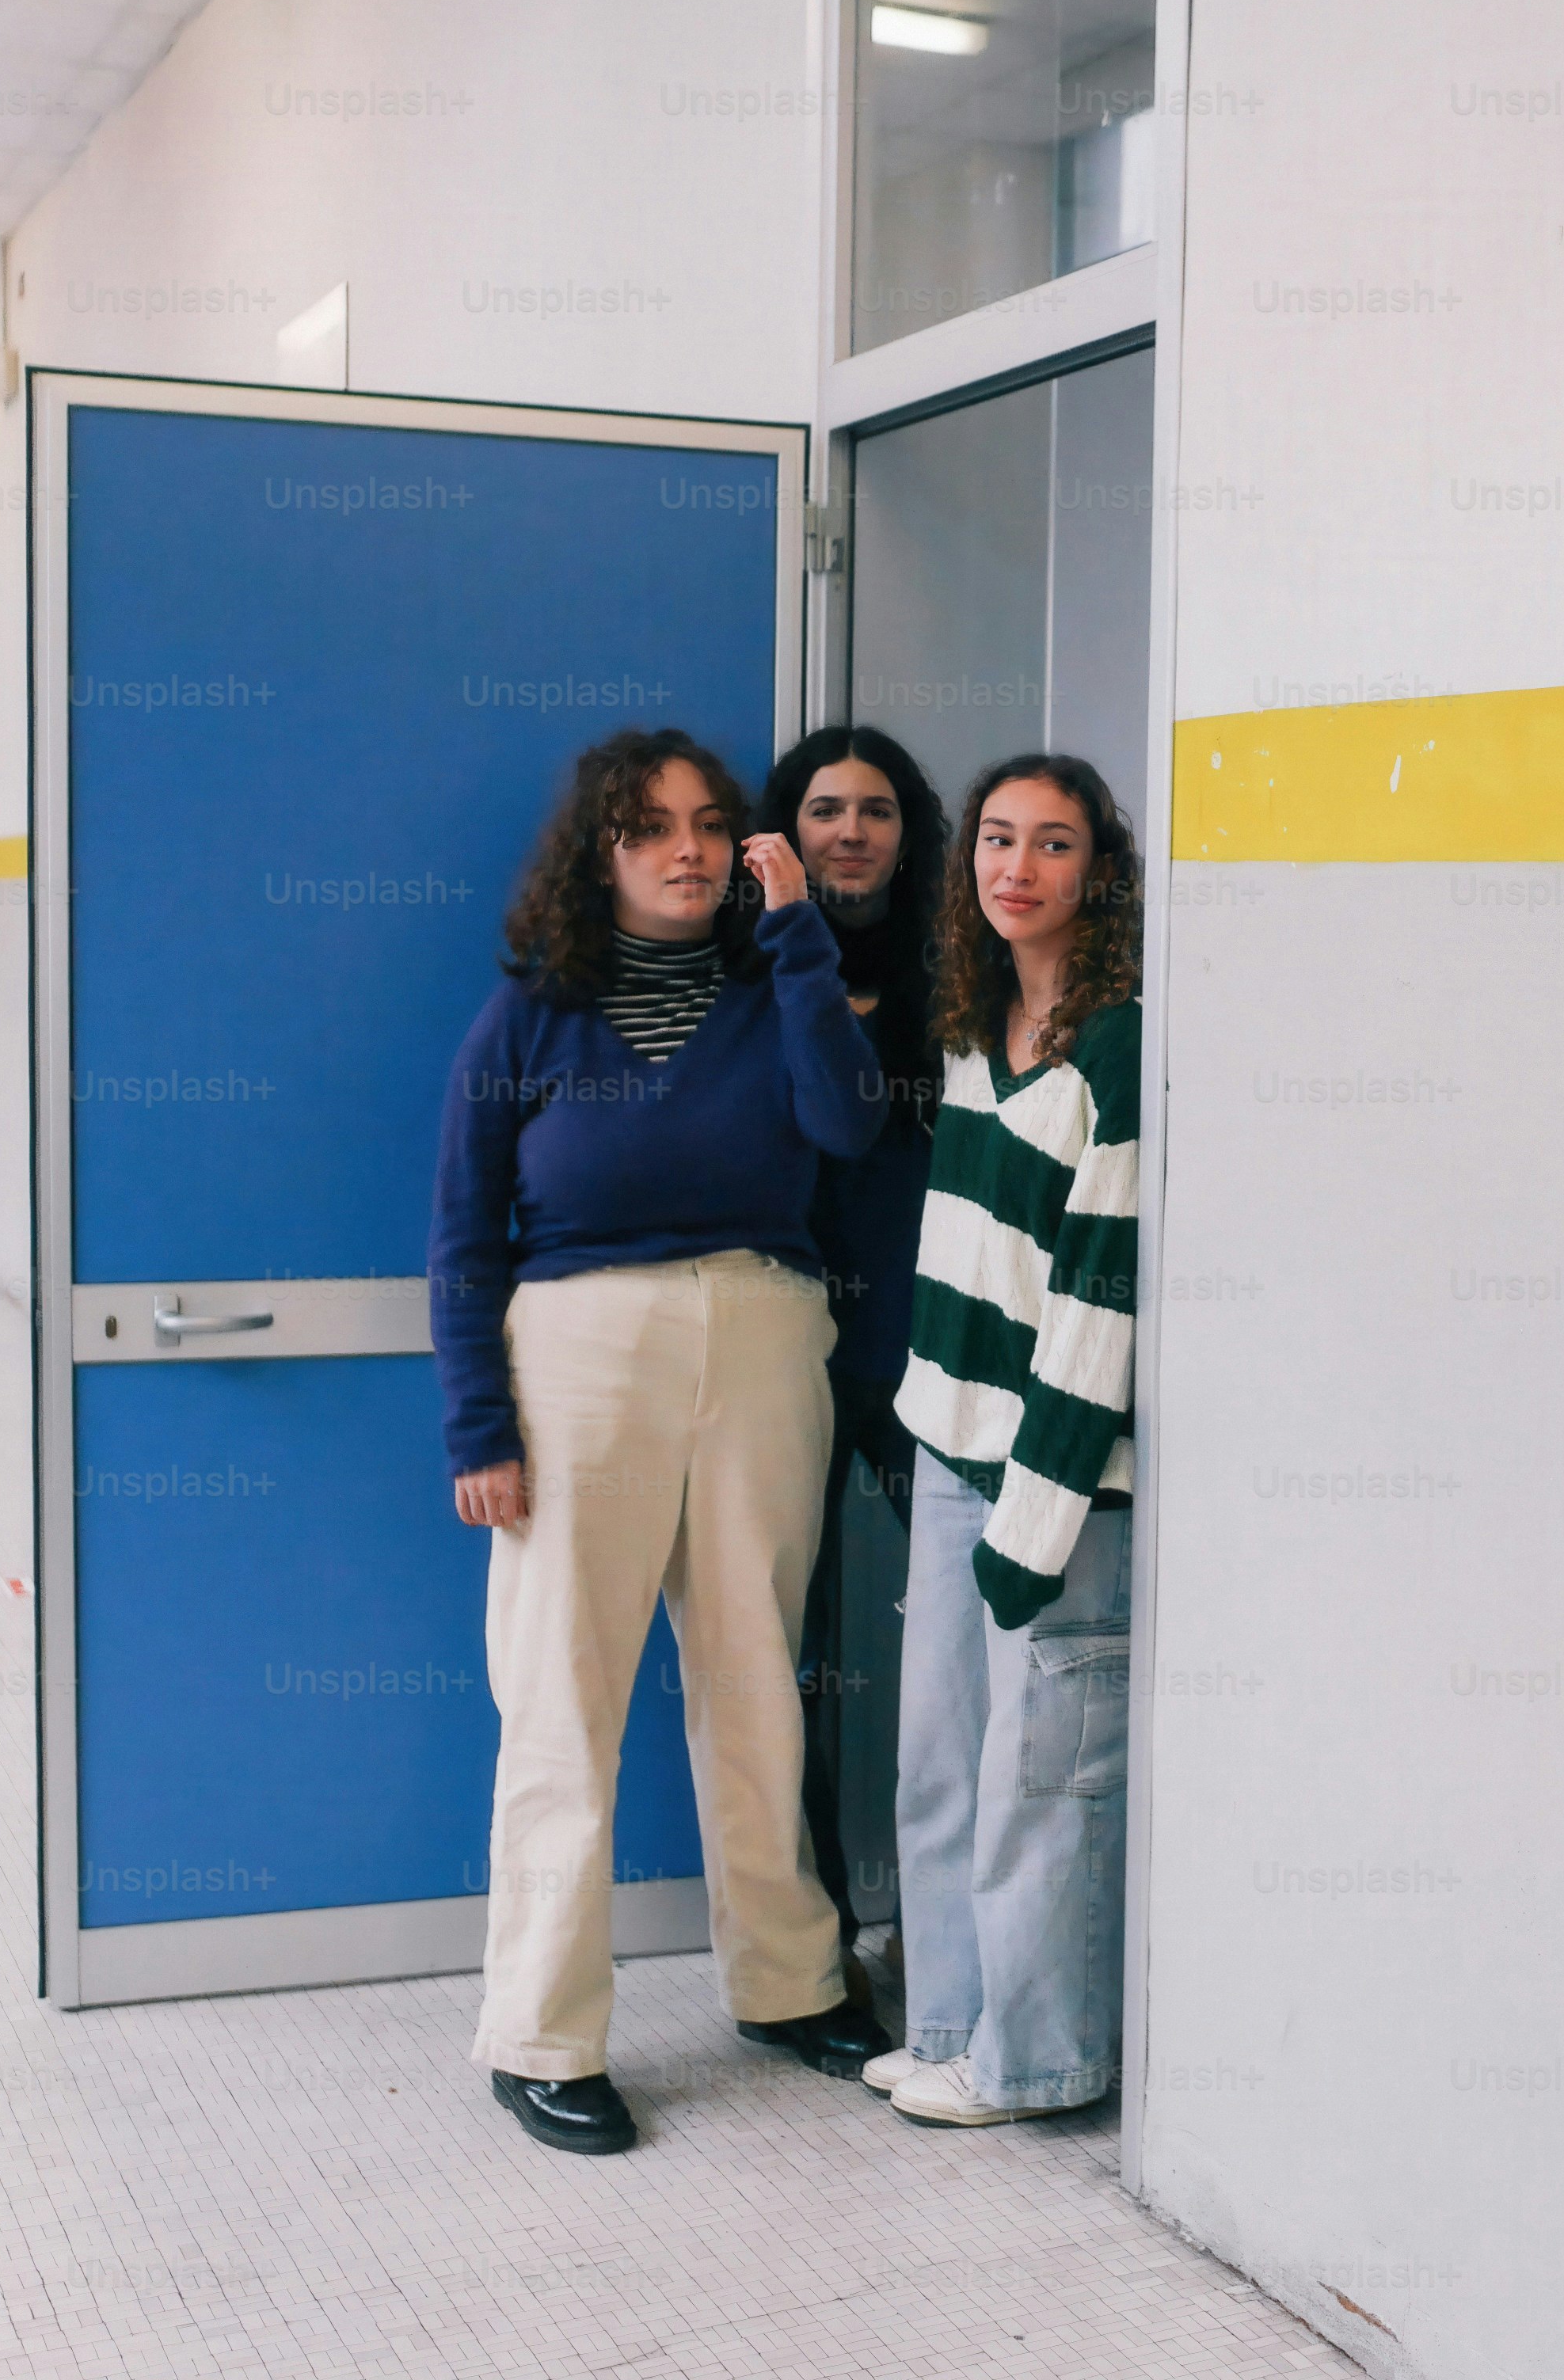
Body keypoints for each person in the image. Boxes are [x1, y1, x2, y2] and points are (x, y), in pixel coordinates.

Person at [429, 726, 892, 2157]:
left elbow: (848, 1127)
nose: (687, 850)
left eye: (708, 825)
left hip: (761, 1336)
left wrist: (800, 936)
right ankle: (541, 2034)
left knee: (758, 1677)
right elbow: (460, 1233)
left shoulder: (780, 988)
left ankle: (792, 1982)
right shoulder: (528, 1015)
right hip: (579, 1353)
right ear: (602, 853)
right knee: (563, 1698)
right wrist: (478, 1424)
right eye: (651, 829)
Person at [868, 751, 1145, 2127]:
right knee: (939, 1756)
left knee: (1041, 1783)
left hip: (1059, 1479)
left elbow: (1103, 1298)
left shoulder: (1119, 1050)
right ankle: (947, 2027)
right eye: (994, 838)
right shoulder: (974, 1029)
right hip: (951, 1448)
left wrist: (1036, 1521)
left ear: (1097, 873)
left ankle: (1031, 2065)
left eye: (1050, 844)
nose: (1013, 867)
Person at [753, 724, 950, 1972]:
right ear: (786, 828)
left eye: (876, 810)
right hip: (779, 1346)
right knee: (788, 1660)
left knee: (950, 1638)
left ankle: (947, 1933)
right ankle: (811, 1942)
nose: (852, 832)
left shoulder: (957, 967)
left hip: (921, 1347)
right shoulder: (747, 967)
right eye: (826, 809)